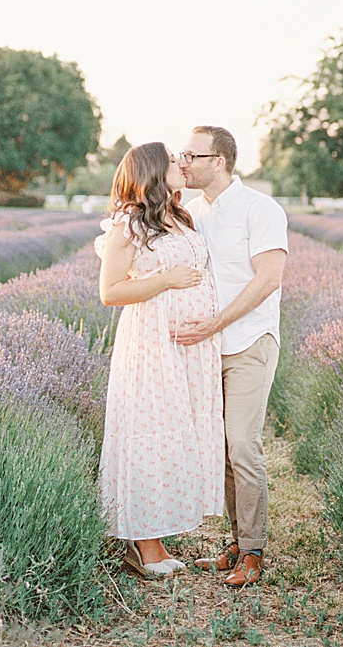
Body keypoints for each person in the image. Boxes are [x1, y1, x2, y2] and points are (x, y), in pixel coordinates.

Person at [96, 142, 226, 578]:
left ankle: (157, 535)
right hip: (151, 344)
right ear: (153, 170)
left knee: (177, 430)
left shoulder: (179, 215)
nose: (181, 164)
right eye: (172, 160)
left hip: (189, 346)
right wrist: (167, 280)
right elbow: (110, 292)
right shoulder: (128, 226)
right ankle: (144, 544)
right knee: (152, 431)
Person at [173, 125, 288, 588]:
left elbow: (268, 279)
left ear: (217, 161)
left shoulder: (260, 208)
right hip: (207, 348)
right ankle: (237, 544)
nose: (182, 162)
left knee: (243, 444)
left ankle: (255, 551)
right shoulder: (192, 213)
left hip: (248, 340)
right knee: (220, 448)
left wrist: (217, 322)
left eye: (190, 155)